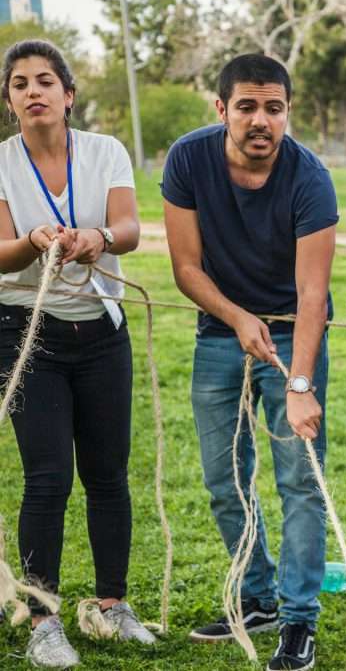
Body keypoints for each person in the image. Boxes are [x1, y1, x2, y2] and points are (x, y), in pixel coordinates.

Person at [162, 53, 337, 671]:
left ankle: (298, 620)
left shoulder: (310, 178)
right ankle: (258, 596)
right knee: (223, 480)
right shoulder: (188, 159)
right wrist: (236, 317)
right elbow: (186, 267)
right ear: (222, 109)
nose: (261, 120)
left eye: (273, 108)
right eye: (247, 106)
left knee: (301, 481)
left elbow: (313, 295)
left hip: (293, 335)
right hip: (219, 332)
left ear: (288, 112)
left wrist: (300, 382)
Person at [0, 39, 151, 668]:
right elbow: (0, 252)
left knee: (108, 474)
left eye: (44, 81)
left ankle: (113, 605)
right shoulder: (1, 162)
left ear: (68, 94)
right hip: (25, 333)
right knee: (47, 477)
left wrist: (99, 237)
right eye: (19, 84)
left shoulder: (106, 151)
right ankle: (44, 619)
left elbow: (130, 230)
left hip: (102, 332)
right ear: (9, 101)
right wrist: (34, 241)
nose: (32, 92)